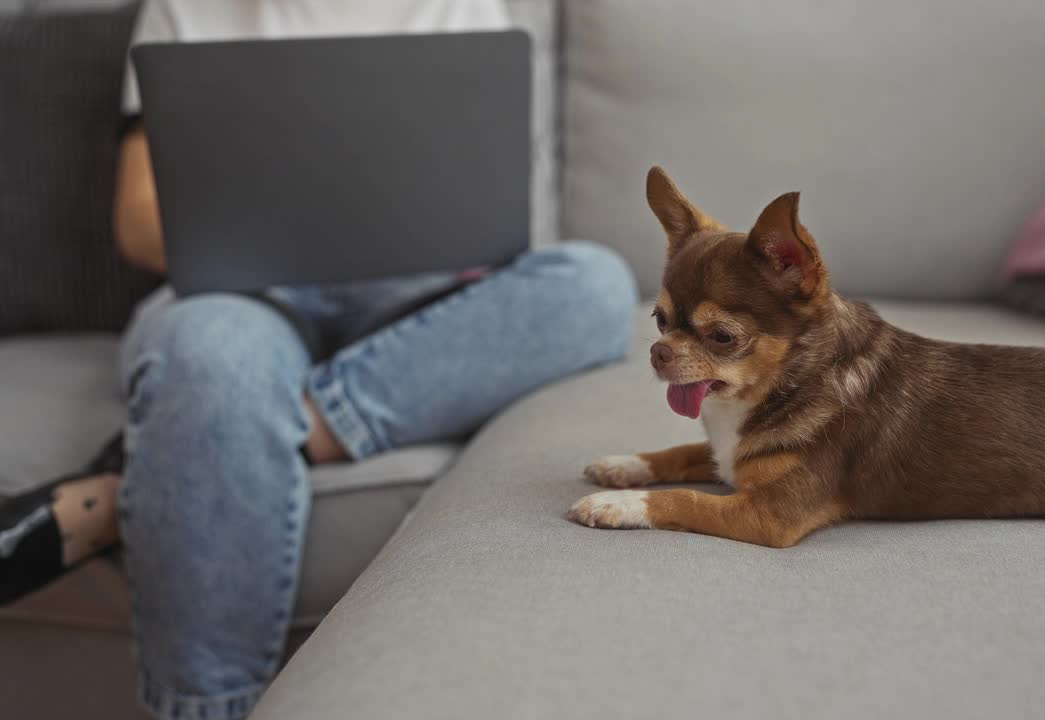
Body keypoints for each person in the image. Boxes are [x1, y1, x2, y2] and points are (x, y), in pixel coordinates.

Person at [0, 2, 637, 718]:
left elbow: (490, 206)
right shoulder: (186, 11)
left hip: (421, 296)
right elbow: (140, 222)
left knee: (596, 286)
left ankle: (170, 463)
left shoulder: (460, 5)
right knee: (211, 362)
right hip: (238, 289)